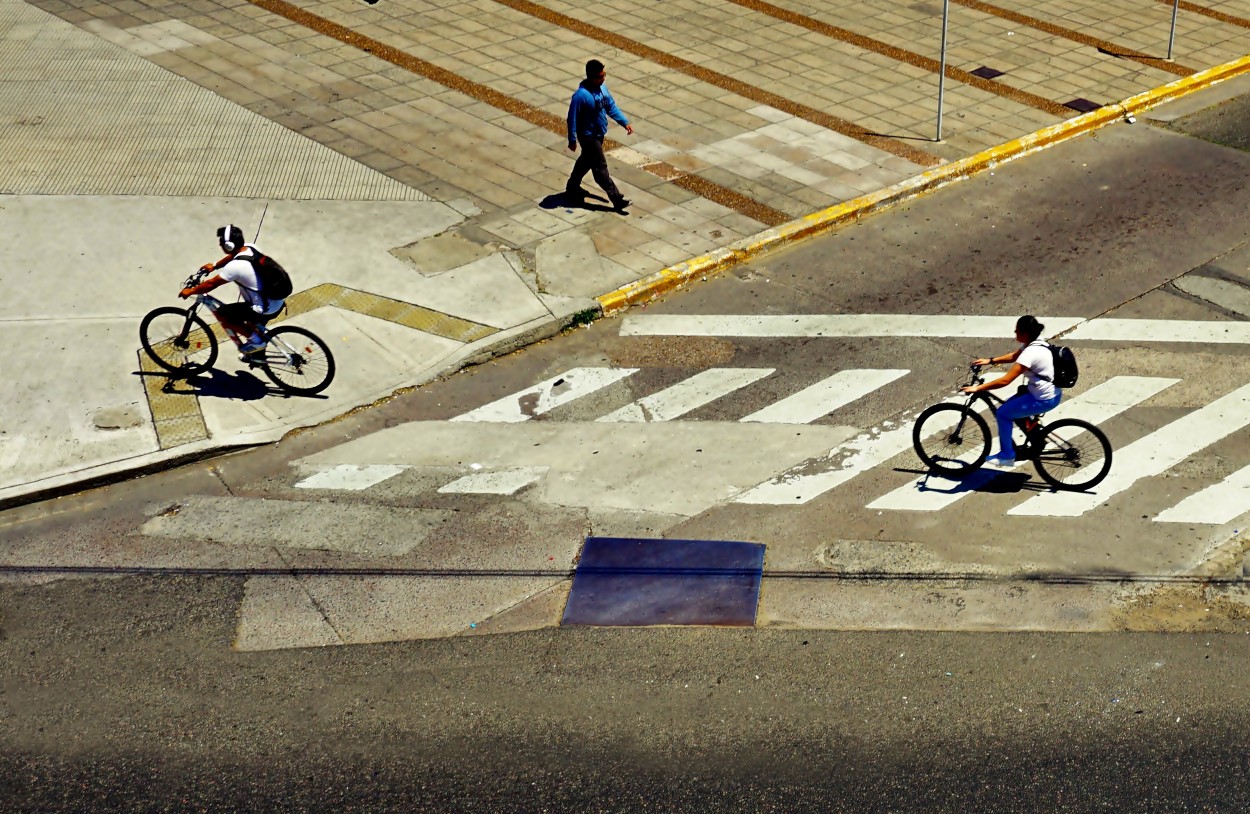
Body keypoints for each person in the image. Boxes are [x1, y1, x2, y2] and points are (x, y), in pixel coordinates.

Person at [961, 315, 1063, 468]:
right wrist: (991, 360)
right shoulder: (1036, 344)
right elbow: (1015, 356)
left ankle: (1007, 456)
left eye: (1017, 331)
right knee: (1012, 405)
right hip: (1050, 392)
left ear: (1025, 333)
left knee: (1003, 413)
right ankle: (1036, 438)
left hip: (1043, 398)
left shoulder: (1030, 353)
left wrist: (978, 388)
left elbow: (1005, 380)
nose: (1015, 333)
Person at [179, 225, 286, 362]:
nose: (219, 244)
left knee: (225, 315)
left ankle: (257, 342)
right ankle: (257, 354)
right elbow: (233, 256)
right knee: (247, 319)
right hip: (276, 300)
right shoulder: (250, 248)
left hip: (264, 308)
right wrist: (215, 265)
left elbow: (211, 284)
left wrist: (191, 291)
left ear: (229, 245)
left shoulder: (235, 267)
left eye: (221, 242)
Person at [566, 58, 633, 211]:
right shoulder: (580, 96)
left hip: (599, 134)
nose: (603, 79)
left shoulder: (603, 89)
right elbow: (572, 118)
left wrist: (624, 122)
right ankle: (617, 199)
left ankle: (572, 187)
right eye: (600, 77)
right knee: (600, 168)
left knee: (586, 161)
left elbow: (611, 106)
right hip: (588, 137)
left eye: (604, 75)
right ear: (591, 77)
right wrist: (572, 139)